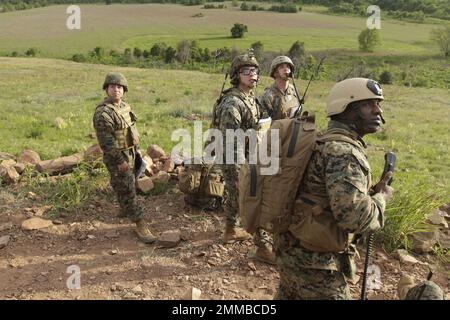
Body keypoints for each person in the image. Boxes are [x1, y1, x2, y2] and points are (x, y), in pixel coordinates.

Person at [273, 78, 394, 299]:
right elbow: (354, 218)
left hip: (292, 252)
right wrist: (380, 200)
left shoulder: (321, 141)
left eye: (378, 104)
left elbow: (321, 195)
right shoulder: (343, 153)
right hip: (317, 267)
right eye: (368, 104)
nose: (378, 111)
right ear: (345, 109)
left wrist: (368, 194)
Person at [211, 52, 275, 264]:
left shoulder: (251, 99)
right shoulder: (232, 103)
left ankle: (230, 230)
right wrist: (238, 171)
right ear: (237, 75)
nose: (253, 75)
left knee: (234, 194)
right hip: (235, 159)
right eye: (247, 71)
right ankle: (263, 247)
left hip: (249, 156)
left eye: (255, 71)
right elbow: (231, 142)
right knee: (254, 199)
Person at [93, 72, 156, 244]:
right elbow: (107, 144)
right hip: (118, 157)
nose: (116, 90)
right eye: (112, 87)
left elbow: (131, 131)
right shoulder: (103, 113)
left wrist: (137, 153)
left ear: (124, 90)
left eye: (119, 87)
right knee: (128, 188)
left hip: (132, 153)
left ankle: (125, 208)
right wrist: (120, 162)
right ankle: (140, 223)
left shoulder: (125, 107)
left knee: (127, 183)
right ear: (106, 89)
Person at [259, 55, 301, 120]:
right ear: (275, 73)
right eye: (281, 67)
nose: (286, 69)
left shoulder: (294, 90)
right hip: (275, 129)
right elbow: (265, 123)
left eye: (288, 66)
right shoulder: (268, 95)